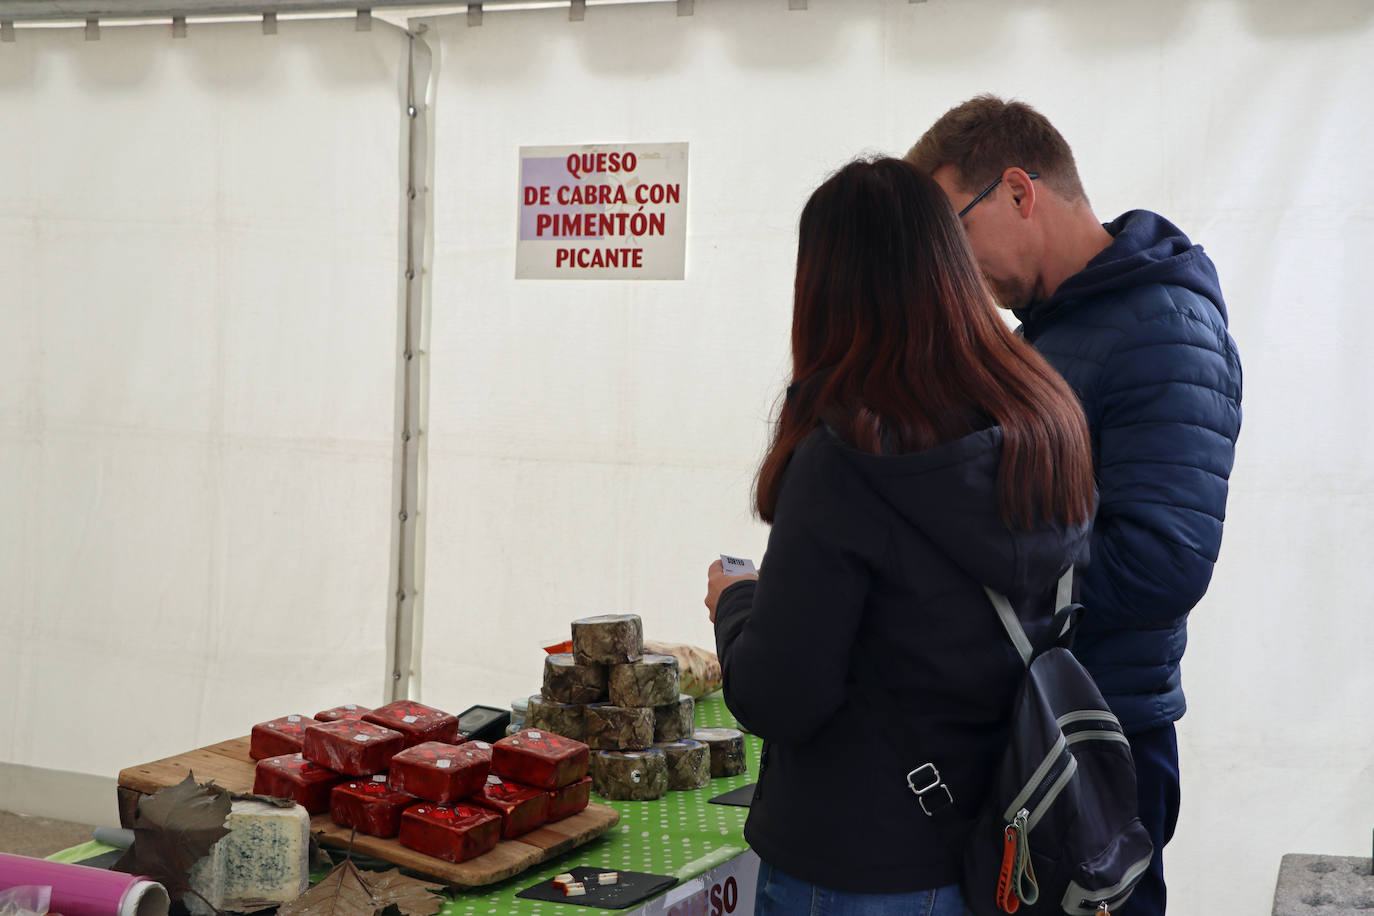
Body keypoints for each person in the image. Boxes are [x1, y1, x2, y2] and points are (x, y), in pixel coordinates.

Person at [703, 157, 1096, 916]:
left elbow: (780, 696)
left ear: (822, 288)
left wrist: (736, 602)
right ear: (948, 263)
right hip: (1001, 844)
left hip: (855, 864)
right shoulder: (1047, 420)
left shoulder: (846, 458)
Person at [905, 95, 1243, 914]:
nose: (952, 269)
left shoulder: (1165, 327)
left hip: (1100, 735)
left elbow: (1164, 563)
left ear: (1019, 192)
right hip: (1043, 723)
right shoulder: (1050, 333)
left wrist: (982, 555)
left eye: (953, 234)